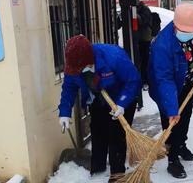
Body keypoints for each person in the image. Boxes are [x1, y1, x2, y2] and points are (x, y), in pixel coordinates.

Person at [58, 35, 141, 183]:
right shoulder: (73, 66)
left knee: (116, 137)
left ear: (88, 60)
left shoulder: (113, 56)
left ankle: (117, 175)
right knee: (98, 132)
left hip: (121, 99)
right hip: (98, 99)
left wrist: (122, 104)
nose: (76, 71)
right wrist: (64, 112)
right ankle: (97, 169)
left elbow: (133, 80)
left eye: (79, 68)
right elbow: (69, 88)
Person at [149, 4, 193, 179]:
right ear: (175, 24)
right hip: (166, 89)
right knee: (171, 123)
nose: (189, 33)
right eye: (185, 30)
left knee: (186, 114)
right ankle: (173, 159)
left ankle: (181, 145)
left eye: (192, 30)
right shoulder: (162, 45)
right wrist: (171, 109)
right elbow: (165, 80)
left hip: (188, 82)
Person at [137, 0, 153, 90]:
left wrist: (136, 16)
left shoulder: (145, 9)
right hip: (137, 39)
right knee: (140, 61)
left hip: (144, 39)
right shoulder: (135, 9)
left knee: (145, 61)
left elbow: (144, 20)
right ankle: (142, 79)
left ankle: (145, 80)